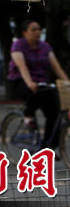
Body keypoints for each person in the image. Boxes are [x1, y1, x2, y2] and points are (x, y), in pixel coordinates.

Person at [6, 19, 70, 150]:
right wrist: (29, 82)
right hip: (20, 81)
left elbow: (56, 67)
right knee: (35, 93)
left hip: (41, 82)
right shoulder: (18, 45)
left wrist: (67, 83)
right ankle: (28, 115)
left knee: (55, 110)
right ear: (24, 32)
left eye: (39, 29)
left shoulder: (45, 46)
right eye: (33, 29)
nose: (37, 32)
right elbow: (21, 66)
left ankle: (48, 147)